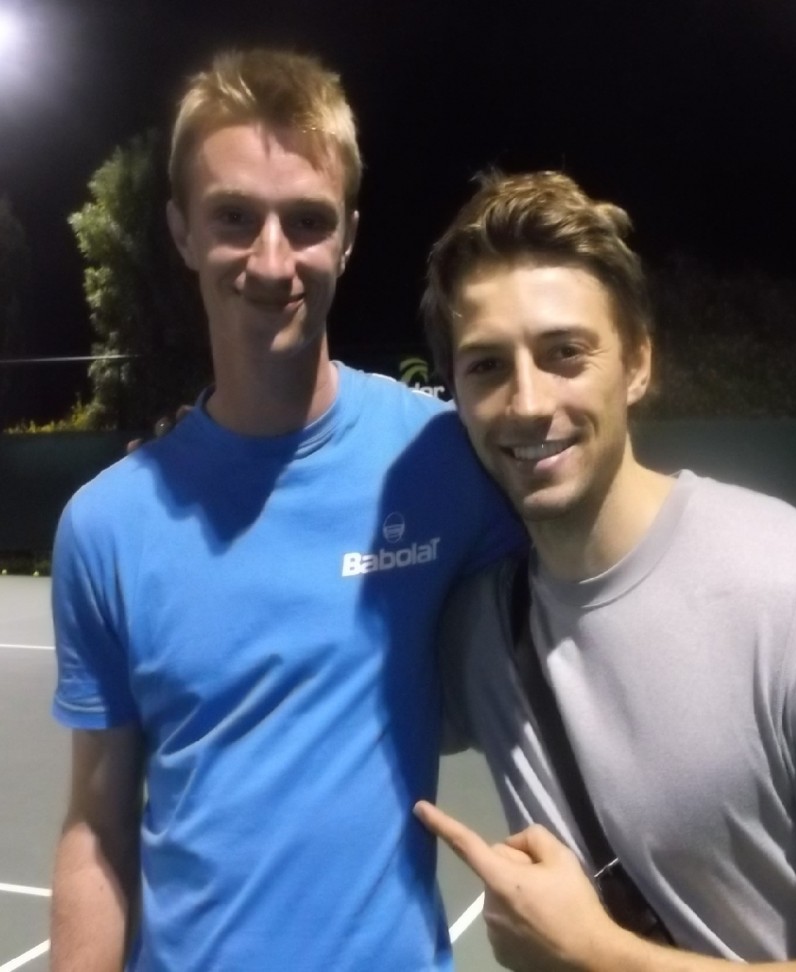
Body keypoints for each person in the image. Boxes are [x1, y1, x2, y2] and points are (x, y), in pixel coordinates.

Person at [414, 171, 796, 970]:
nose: (527, 401)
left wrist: (597, 953)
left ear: (639, 363)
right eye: (485, 367)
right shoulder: (476, 627)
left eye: (565, 353)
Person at [48, 49, 524, 970]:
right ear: (183, 231)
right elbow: (97, 829)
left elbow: (616, 552)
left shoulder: (445, 456)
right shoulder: (104, 528)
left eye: (306, 221)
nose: (273, 260)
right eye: (235, 218)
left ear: (347, 236)